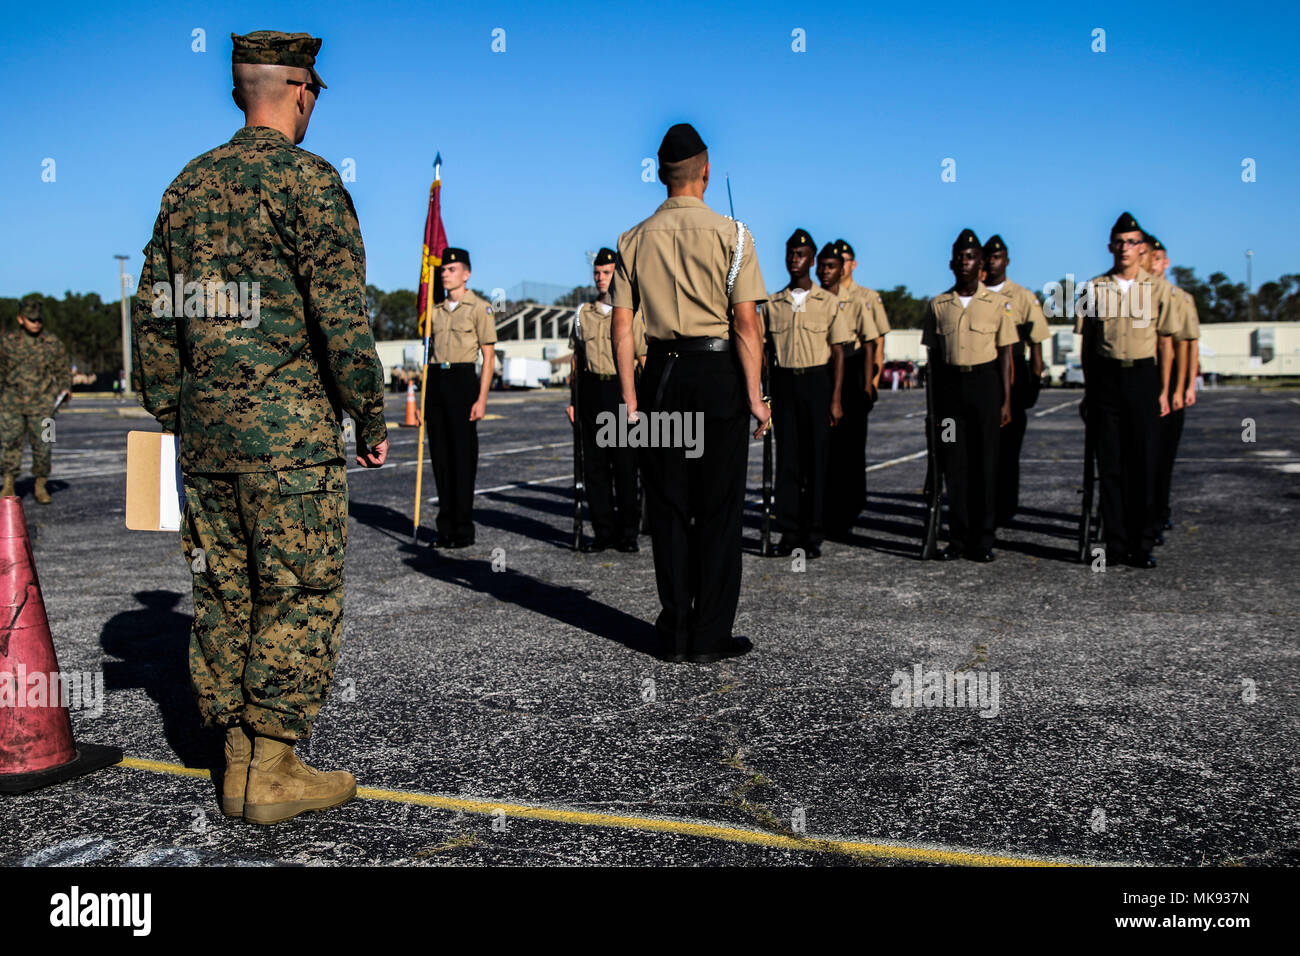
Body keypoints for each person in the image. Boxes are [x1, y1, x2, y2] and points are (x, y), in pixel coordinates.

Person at [132, 31, 390, 824]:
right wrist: (368, 411)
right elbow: (341, 317)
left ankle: (238, 762)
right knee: (299, 591)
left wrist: (182, 412)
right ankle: (271, 767)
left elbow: (153, 318)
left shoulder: (187, 186)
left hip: (208, 448)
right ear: (301, 90)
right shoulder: (310, 183)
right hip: (289, 443)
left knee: (226, 591)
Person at [611, 122, 769, 663]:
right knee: (720, 509)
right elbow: (747, 325)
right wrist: (755, 396)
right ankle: (710, 636)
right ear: (705, 170)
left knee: (671, 508)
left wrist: (631, 402)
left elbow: (622, 327)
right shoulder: (736, 235)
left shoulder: (631, 240)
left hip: (660, 380)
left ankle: (675, 632)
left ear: (659, 175)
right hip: (718, 374)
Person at [1076, 212, 1182, 569]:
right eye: (1119, 242)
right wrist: (1089, 390)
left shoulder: (1159, 289)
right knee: (1111, 465)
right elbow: (1088, 345)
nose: (1125, 248)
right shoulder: (1093, 288)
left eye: (1132, 242)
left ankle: (1142, 543)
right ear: (1110, 246)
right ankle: (1115, 544)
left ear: (1142, 248)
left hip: (1143, 378)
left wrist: (1165, 391)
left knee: (1144, 463)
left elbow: (1166, 344)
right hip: (1106, 381)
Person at [921, 229, 1017, 562]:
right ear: (951, 262)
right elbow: (932, 358)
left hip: (985, 387)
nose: (965, 262)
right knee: (954, 465)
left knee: (985, 465)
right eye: (960, 256)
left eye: (971, 256)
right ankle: (957, 539)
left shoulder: (998, 305)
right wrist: (932, 407)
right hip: (950, 393)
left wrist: (1006, 400)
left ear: (981, 264)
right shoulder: (938, 305)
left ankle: (983, 540)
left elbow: (1005, 356)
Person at [759, 234, 853, 557]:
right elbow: (763, 351)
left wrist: (836, 399)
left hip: (817, 383)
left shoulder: (828, 303)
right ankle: (788, 532)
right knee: (788, 461)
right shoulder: (772, 304)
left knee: (816, 461)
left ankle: (813, 534)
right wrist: (763, 395)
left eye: (801, 254)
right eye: (790, 253)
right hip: (785, 385)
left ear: (812, 260)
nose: (794, 259)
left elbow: (839, 353)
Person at [566, 247, 645, 552]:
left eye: (606, 273)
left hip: (621, 392)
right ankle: (603, 533)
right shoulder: (582, 315)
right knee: (595, 469)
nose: (600, 278)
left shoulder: (631, 314)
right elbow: (576, 359)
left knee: (625, 467)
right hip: (590, 393)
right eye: (597, 273)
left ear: (618, 275)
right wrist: (572, 399)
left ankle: (628, 534)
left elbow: (642, 359)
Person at [421, 247, 497, 548]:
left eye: (451, 269)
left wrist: (482, 399)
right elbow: (426, 354)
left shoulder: (480, 308)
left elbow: (488, 357)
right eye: (442, 270)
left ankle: (463, 529)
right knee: (440, 459)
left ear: (466, 274)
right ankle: (445, 528)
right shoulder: (434, 310)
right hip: (437, 380)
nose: (444, 274)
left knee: (463, 460)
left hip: (464, 381)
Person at [981, 235, 1049, 527]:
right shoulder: (975, 293)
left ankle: (1005, 507)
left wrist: (1035, 378)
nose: (993, 262)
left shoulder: (1022, 296)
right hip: (985, 370)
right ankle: (983, 504)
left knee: (1009, 448)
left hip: (1015, 374)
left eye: (998, 257)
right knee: (983, 446)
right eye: (989, 257)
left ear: (1007, 261)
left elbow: (1037, 342)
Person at [818, 243, 879, 541]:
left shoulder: (861, 299)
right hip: (822, 369)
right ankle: (824, 509)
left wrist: (869, 385)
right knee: (824, 448)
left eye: (840, 262)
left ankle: (850, 508)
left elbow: (872, 343)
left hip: (852, 370)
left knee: (851, 448)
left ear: (848, 266)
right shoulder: (814, 298)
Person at [1149, 235, 1199, 542]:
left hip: (1171, 380)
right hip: (1142, 377)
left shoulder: (1180, 298)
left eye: (1157, 259)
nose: (1152, 264)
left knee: (1163, 456)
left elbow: (1188, 345)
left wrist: (1185, 386)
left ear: (1166, 263)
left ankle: (1159, 511)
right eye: (1148, 257)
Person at [0, 294, 71, 503]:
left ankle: (40, 484)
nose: (36, 323)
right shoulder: (7, 343)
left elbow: (63, 370)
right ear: (20, 319)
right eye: (31, 319)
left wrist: (65, 388)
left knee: (44, 445)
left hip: (44, 406)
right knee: (8, 445)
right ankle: (9, 483)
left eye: (39, 319)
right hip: (11, 404)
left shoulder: (52, 343)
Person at [835, 240, 890, 392]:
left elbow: (878, 344)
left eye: (844, 261)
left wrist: (873, 384)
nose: (840, 265)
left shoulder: (869, 297)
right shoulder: (823, 297)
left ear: (854, 264)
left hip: (855, 368)